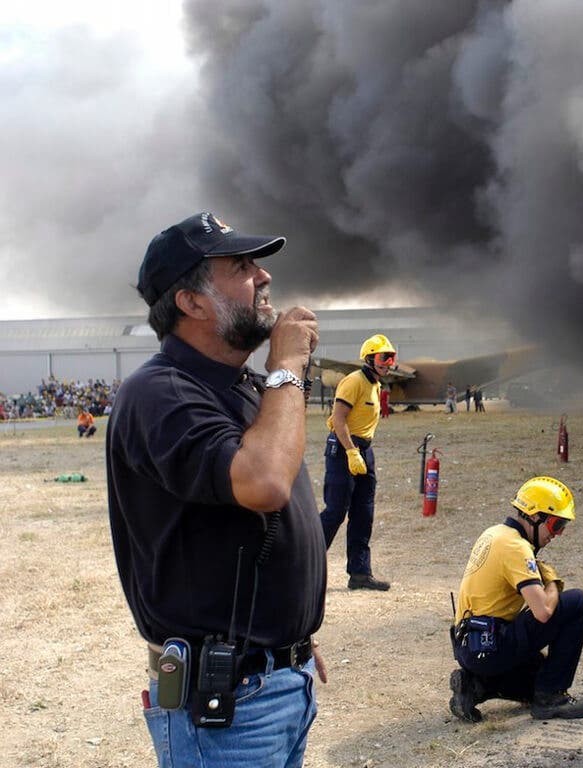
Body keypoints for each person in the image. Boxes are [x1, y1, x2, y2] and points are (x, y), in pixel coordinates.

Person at [105, 211, 327, 768]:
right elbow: (265, 483)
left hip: (275, 683)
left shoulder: (245, 389)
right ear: (192, 302)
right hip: (226, 708)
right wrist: (286, 367)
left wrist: (289, 638)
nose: (264, 278)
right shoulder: (158, 394)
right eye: (242, 266)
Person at [448, 476, 583, 722]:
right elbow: (542, 612)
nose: (558, 534)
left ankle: (475, 686)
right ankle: (551, 698)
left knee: (537, 679)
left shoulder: (494, 533)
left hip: (471, 647)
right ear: (534, 516)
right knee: (578, 602)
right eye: (556, 524)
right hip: (490, 644)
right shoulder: (516, 547)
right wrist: (552, 583)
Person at [320, 333, 395, 590]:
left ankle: (360, 574)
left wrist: (361, 452)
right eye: (384, 357)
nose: (389, 362)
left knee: (364, 513)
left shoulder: (375, 384)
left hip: (364, 449)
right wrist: (351, 451)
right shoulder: (354, 382)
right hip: (343, 448)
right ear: (370, 358)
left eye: (391, 358)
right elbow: (338, 420)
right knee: (335, 511)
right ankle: (305, 566)